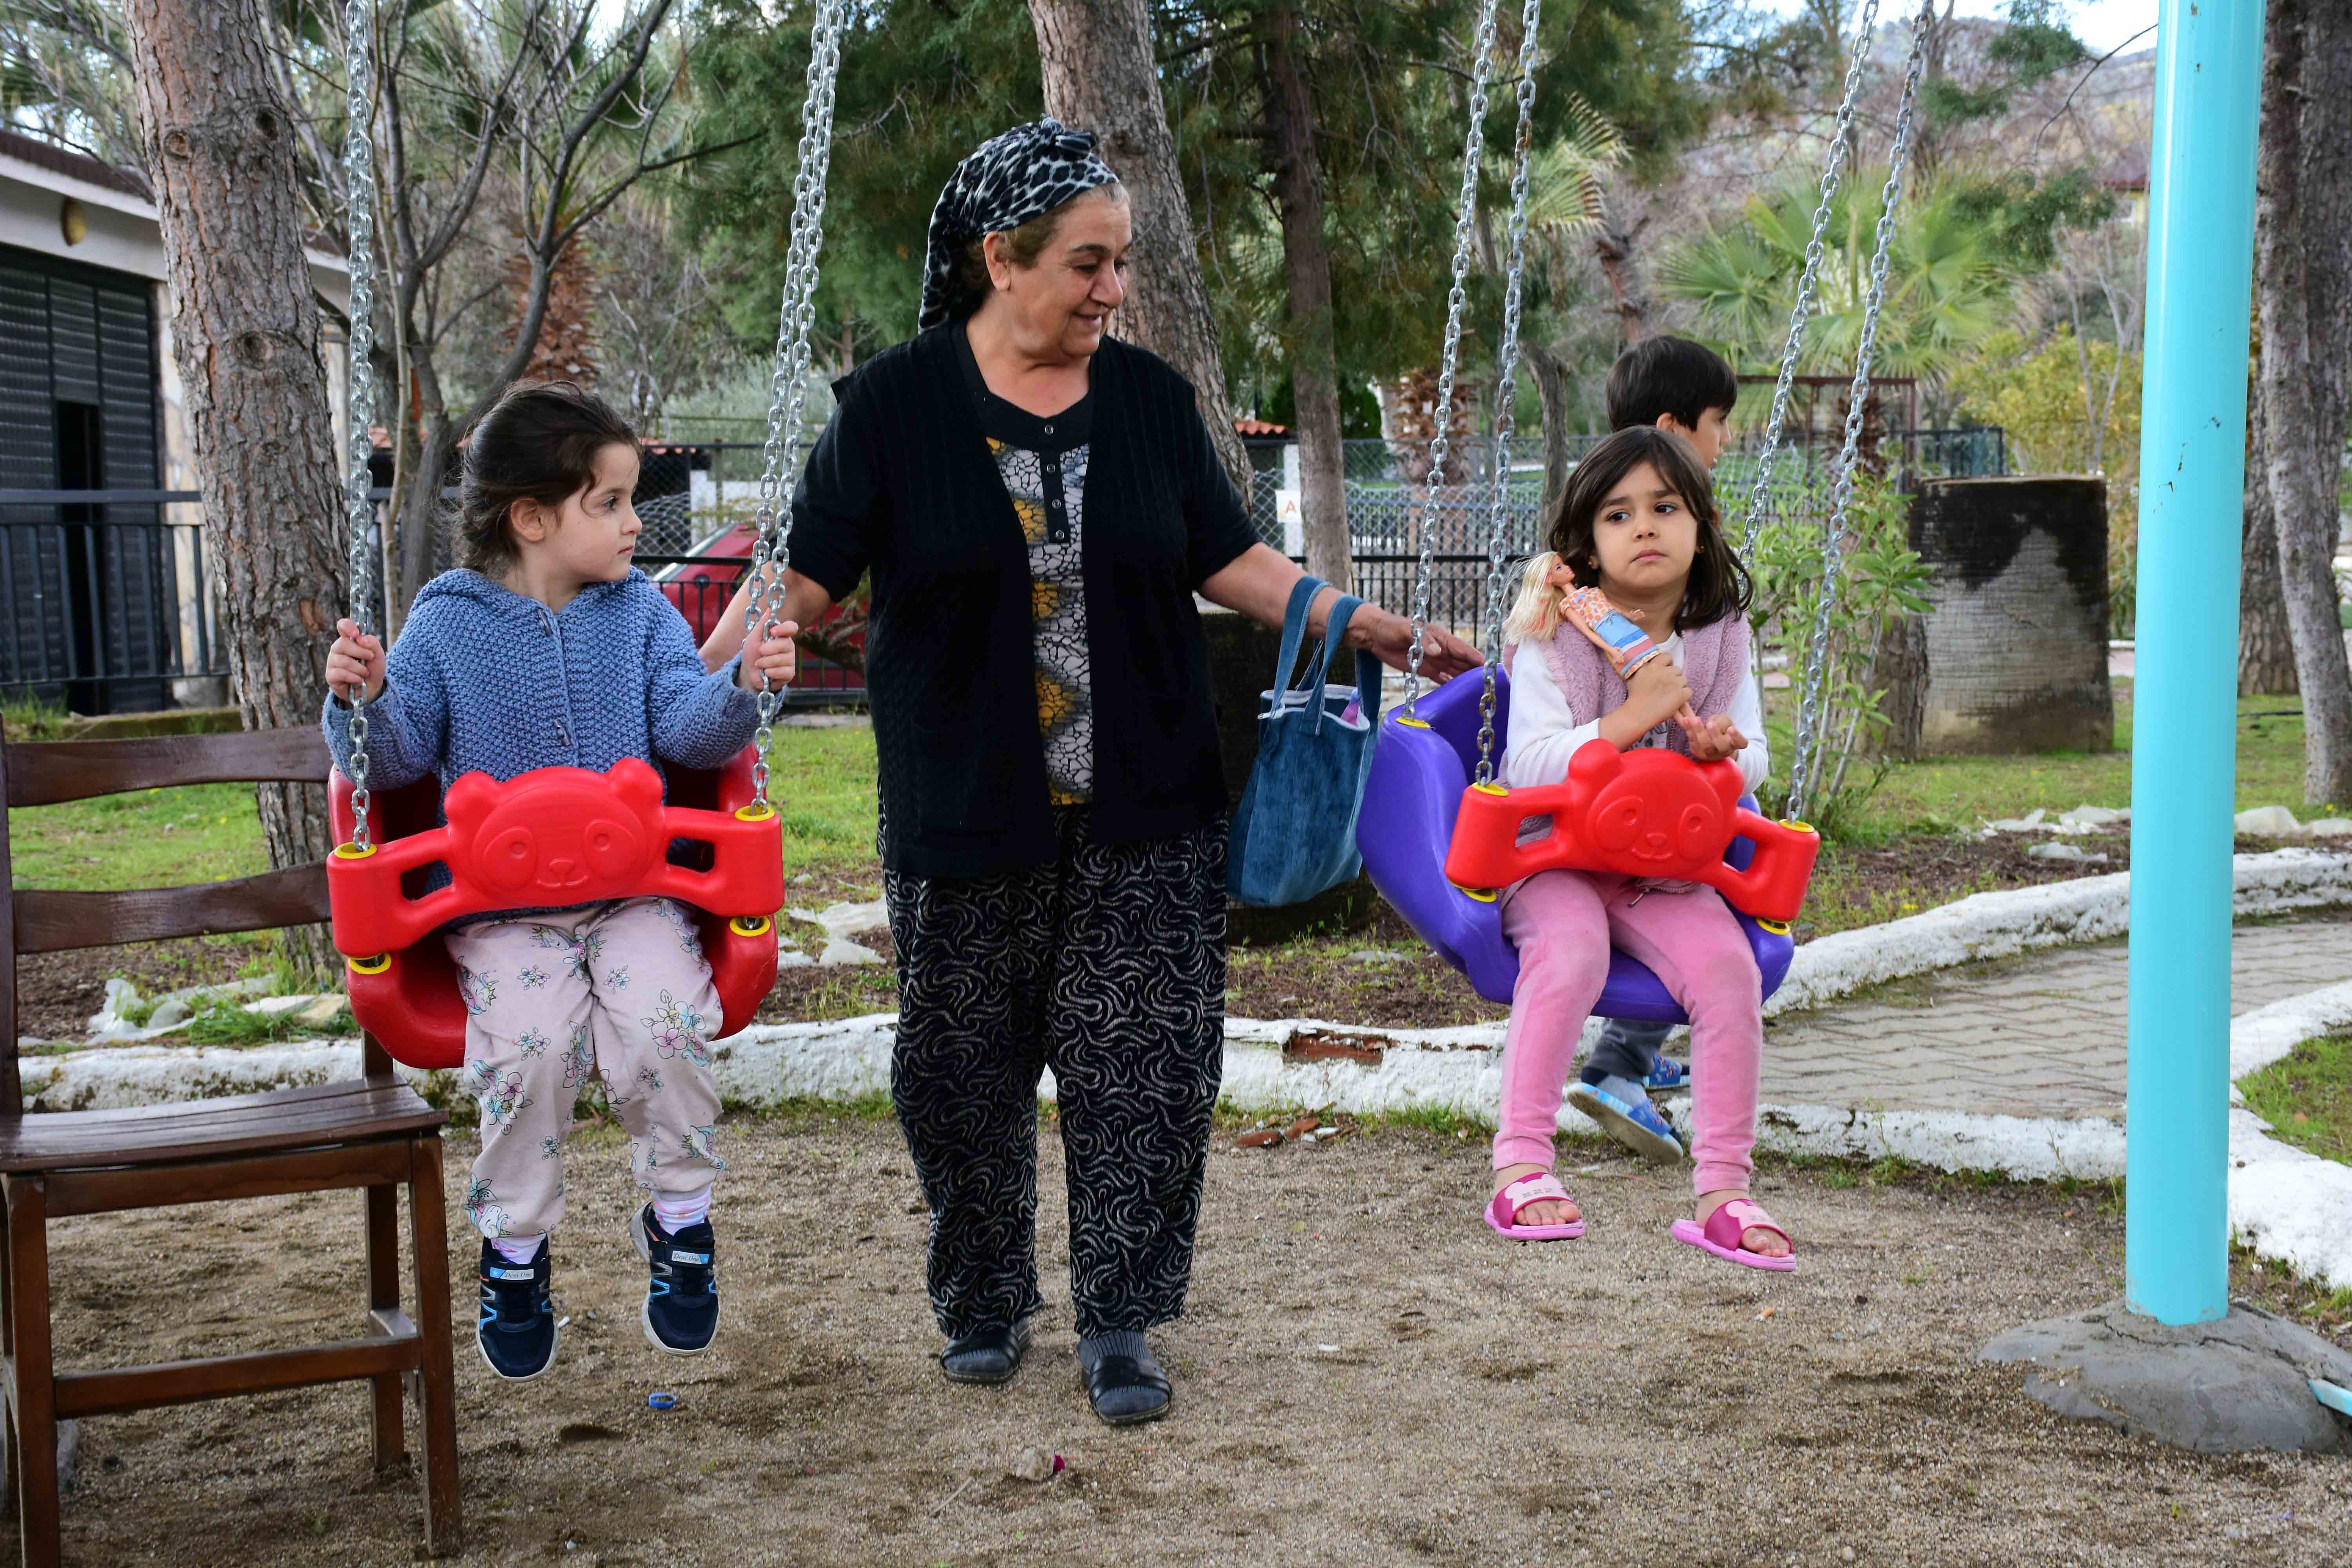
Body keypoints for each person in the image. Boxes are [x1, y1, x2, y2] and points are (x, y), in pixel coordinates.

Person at [697, 119, 1481, 1425]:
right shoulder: (889, 409)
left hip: (1147, 802)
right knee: (960, 1069)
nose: (1113, 291)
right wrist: (692, 669)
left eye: (1119, 264)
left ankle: (1121, 1319)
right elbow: (804, 583)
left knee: (1148, 1067)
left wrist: (1373, 625)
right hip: (964, 796)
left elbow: (1232, 558)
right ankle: (986, 1296)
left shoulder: (1152, 406)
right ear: (1001, 259)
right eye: (1088, 264)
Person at [323, 382, 802, 1379]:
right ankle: (514, 1248)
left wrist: (741, 686)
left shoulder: (640, 615)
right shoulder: (449, 623)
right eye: (612, 502)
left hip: (636, 895)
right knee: (531, 1049)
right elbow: (401, 754)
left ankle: (679, 1220)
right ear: (531, 518)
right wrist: (364, 700)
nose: (636, 522)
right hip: (501, 915)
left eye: (632, 500)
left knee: (667, 1023)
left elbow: (685, 726)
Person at [1481, 424, 1794, 1270]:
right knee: (1572, 953)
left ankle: (1725, 1189)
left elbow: (1757, 752)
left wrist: (1722, 747)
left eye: (1665, 507)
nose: (1645, 526)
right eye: (1620, 514)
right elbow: (1528, 762)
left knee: (1729, 971)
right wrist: (1635, 715)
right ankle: (1522, 1163)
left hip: (1664, 864)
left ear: (1701, 526)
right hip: (1558, 858)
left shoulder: (1723, 633)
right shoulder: (1558, 635)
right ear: (1589, 543)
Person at [1569, 335, 1744, 1163]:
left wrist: (1721, 743)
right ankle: (1621, 1062)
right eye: (1719, 424)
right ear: (1676, 427)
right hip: (1608, 821)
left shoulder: (1692, 577)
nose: (1727, 441)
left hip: (1656, 801)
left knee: (1711, 845)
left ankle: (1637, 1043)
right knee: (1697, 865)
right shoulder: (1593, 584)